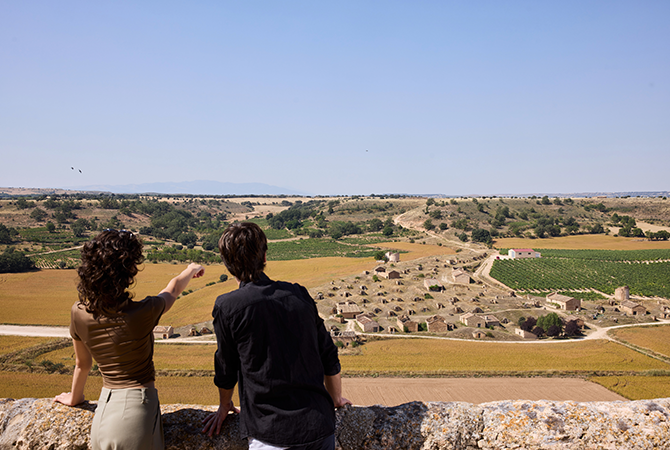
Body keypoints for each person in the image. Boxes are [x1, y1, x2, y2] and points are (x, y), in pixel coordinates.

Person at [202, 222, 350, 449]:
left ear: (228, 265)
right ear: (264, 257)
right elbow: (328, 353)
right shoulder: (298, 293)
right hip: (319, 426)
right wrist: (336, 398)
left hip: (270, 432)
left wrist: (224, 406)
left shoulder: (228, 306)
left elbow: (226, 367)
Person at [54, 229, 205, 450]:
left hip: (103, 415)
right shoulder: (143, 312)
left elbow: (82, 364)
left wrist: (75, 398)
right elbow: (172, 290)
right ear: (127, 274)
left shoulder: (78, 313)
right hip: (137, 414)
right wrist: (191, 269)